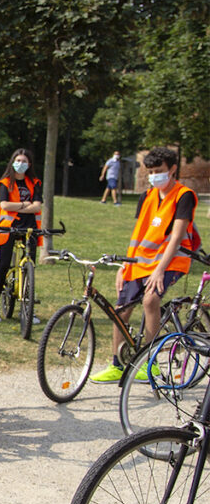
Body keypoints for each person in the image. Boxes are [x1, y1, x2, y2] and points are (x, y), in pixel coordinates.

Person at [90, 147, 200, 383]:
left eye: (159, 171)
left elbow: (179, 237)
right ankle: (117, 365)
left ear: (172, 170)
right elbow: (138, 235)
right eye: (150, 171)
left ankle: (150, 363)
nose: (153, 176)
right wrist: (125, 266)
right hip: (141, 262)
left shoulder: (184, 195)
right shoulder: (147, 196)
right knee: (121, 310)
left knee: (150, 300)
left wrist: (160, 269)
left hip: (172, 260)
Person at [0, 148, 43, 324]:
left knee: (30, 267)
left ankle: (28, 309)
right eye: (18, 160)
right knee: (3, 265)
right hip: (9, 227)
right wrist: (25, 204)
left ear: (29, 165)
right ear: (13, 162)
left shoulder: (34, 182)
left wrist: (18, 206)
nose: (21, 164)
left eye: (24, 161)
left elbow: (37, 207)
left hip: (30, 228)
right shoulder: (5, 183)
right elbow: (4, 204)